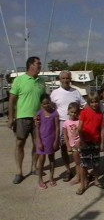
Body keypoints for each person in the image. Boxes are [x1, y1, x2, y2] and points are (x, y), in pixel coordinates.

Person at [8, 56, 46, 184]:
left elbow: (43, 100)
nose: (40, 66)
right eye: (38, 64)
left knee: (37, 144)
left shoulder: (42, 81)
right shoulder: (19, 80)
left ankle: (34, 167)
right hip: (22, 118)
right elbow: (12, 99)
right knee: (20, 144)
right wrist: (11, 117)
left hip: (37, 119)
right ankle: (19, 172)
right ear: (31, 65)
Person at [50, 70, 86, 182]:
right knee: (64, 148)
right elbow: (50, 109)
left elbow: (84, 105)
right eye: (63, 78)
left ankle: (81, 170)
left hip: (76, 124)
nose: (66, 80)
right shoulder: (54, 93)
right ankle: (68, 170)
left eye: (67, 78)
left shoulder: (76, 91)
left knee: (78, 148)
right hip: (62, 123)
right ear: (60, 80)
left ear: (70, 79)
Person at [77, 92, 104, 195]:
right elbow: (79, 129)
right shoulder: (84, 112)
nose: (94, 104)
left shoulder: (100, 114)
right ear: (89, 103)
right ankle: (83, 184)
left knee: (96, 163)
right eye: (92, 102)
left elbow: (102, 129)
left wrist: (102, 142)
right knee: (84, 164)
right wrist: (82, 141)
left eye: (96, 102)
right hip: (85, 142)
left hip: (96, 142)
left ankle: (97, 180)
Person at [35, 94, 59, 189]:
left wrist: (56, 140)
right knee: (41, 160)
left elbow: (57, 128)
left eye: (48, 103)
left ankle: (51, 178)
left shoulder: (55, 113)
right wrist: (39, 142)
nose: (46, 105)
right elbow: (37, 129)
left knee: (52, 159)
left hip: (51, 140)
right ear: (41, 104)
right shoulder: (39, 114)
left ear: (50, 102)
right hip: (42, 140)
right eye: (44, 104)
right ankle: (40, 179)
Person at [63, 102, 81, 185]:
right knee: (77, 162)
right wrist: (68, 146)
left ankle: (84, 176)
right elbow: (65, 136)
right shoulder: (65, 123)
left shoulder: (80, 121)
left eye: (75, 112)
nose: (73, 114)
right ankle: (78, 178)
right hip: (73, 146)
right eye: (72, 112)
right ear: (68, 111)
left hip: (81, 145)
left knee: (83, 162)